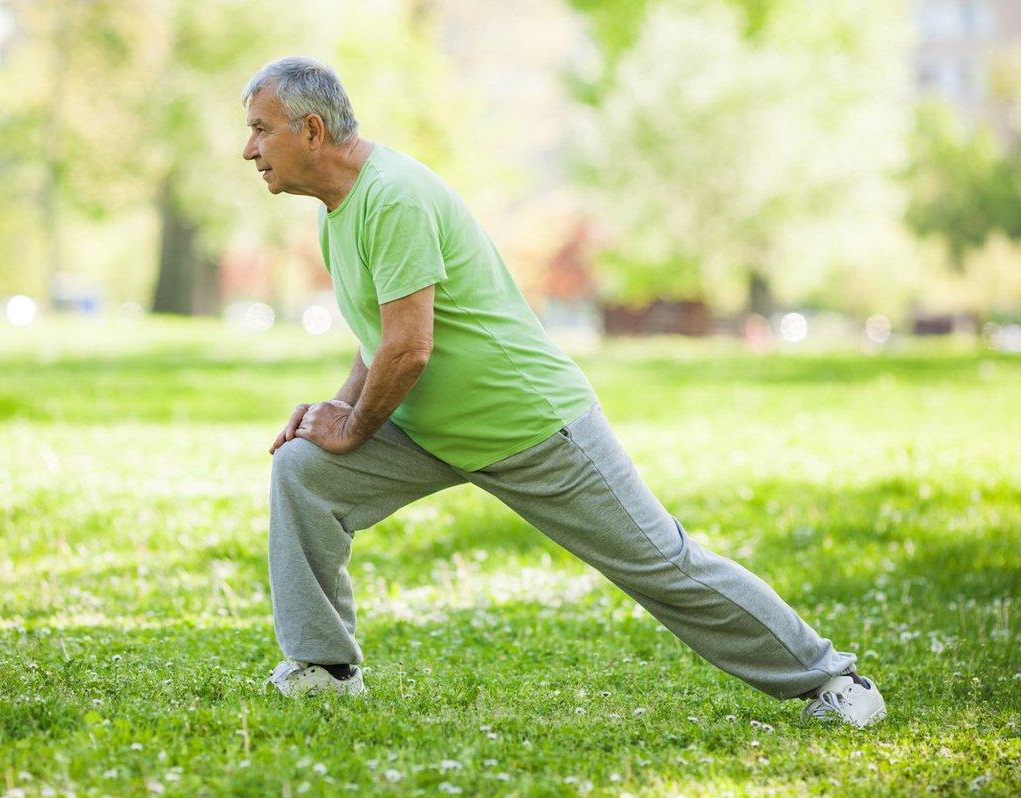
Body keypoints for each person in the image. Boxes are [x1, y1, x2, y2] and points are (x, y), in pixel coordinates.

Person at [242, 56, 885, 727]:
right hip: (435, 429)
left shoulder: (394, 196)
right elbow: (383, 335)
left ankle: (837, 683)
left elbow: (409, 349)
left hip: (531, 427)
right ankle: (326, 668)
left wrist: (352, 428)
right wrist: (343, 409)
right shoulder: (337, 208)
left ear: (312, 130)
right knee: (305, 471)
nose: (249, 148)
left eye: (261, 129)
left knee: (664, 565)